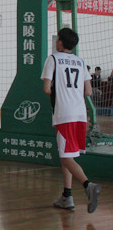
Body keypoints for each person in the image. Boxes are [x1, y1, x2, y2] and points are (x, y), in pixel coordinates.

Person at [41, 28, 101, 213]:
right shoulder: (80, 61)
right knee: (68, 155)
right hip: (80, 113)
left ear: (60, 42)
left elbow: (46, 89)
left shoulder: (53, 59)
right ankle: (67, 196)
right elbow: (88, 91)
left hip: (64, 113)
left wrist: (60, 93)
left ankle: (88, 185)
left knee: (66, 157)